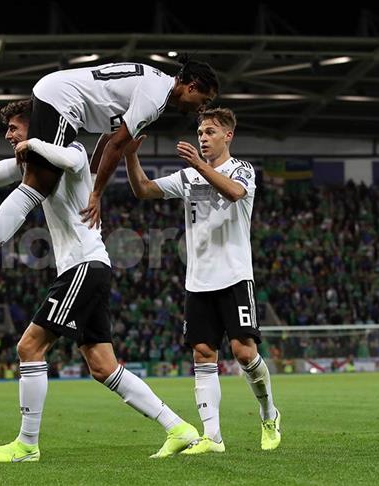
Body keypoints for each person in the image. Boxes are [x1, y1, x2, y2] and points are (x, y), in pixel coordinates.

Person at [0, 100, 201, 462]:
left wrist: (33, 143)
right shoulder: (36, 164)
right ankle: (179, 428)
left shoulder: (71, 149)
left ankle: (26, 445)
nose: (9, 135)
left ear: (36, 126)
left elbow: (73, 159)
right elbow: (4, 170)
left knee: (29, 348)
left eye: (15, 128)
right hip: (88, 269)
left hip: (84, 267)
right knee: (103, 367)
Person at [0, 57, 219, 302]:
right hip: (63, 103)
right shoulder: (155, 98)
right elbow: (116, 146)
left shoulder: (155, 84)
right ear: (192, 86)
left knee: (33, 167)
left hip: (58, 96)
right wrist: (96, 194)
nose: (200, 108)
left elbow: (109, 136)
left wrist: (94, 180)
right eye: (204, 100)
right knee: (37, 185)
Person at [123, 107, 281, 454]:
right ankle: (213, 437)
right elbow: (144, 189)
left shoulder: (241, 169)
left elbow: (235, 193)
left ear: (228, 136)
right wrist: (131, 156)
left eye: (210, 132)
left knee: (244, 352)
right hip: (198, 280)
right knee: (203, 353)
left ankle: (269, 413)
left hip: (235, 275)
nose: (203, 138)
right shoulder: (188, 176)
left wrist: (198, 164)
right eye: (200, 133)